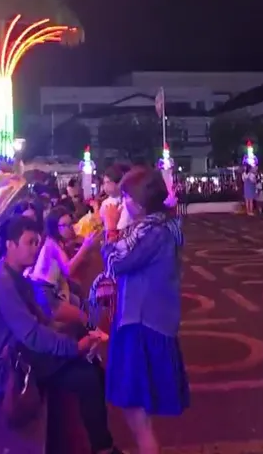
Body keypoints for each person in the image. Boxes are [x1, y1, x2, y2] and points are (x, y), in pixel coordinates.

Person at [0, 217, 120, 454]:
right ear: (10, 245)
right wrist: (74, 348)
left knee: (87, 358)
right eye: (29, 242)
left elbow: (40, 323)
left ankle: (101, 438)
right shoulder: (3, 282)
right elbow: (32, 334)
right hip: (6, 370)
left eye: (37, 242)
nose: (35, 248)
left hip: (21, 353)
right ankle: (103, 447)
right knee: (87, 377)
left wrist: (75, 342)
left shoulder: (16, 276)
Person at [103, 167, 191, 454]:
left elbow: (117, 262)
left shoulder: (153, 233)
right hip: (143, 319)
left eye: (127, 196)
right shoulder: (157, 226)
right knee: (136, 407)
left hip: (142, 323)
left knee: (134, 405)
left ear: (140, 202)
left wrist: (110, 227)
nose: (123, 201)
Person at [30, 206, 100, 317]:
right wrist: (85, 246)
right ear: (55, 227)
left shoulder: (56, 242)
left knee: (80, 295)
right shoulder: (51, 243)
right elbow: (68, 270)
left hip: (53, 289)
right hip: (45, 293)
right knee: (81, 315)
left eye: (70, 224)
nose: (69, 228)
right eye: (64, 225)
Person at [98, 163, 130, 237]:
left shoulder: (127, 202)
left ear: (119, 183)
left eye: (108, 182)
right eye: (104, 183)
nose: (105, 186)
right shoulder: (105, 203)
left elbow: (122, 227)